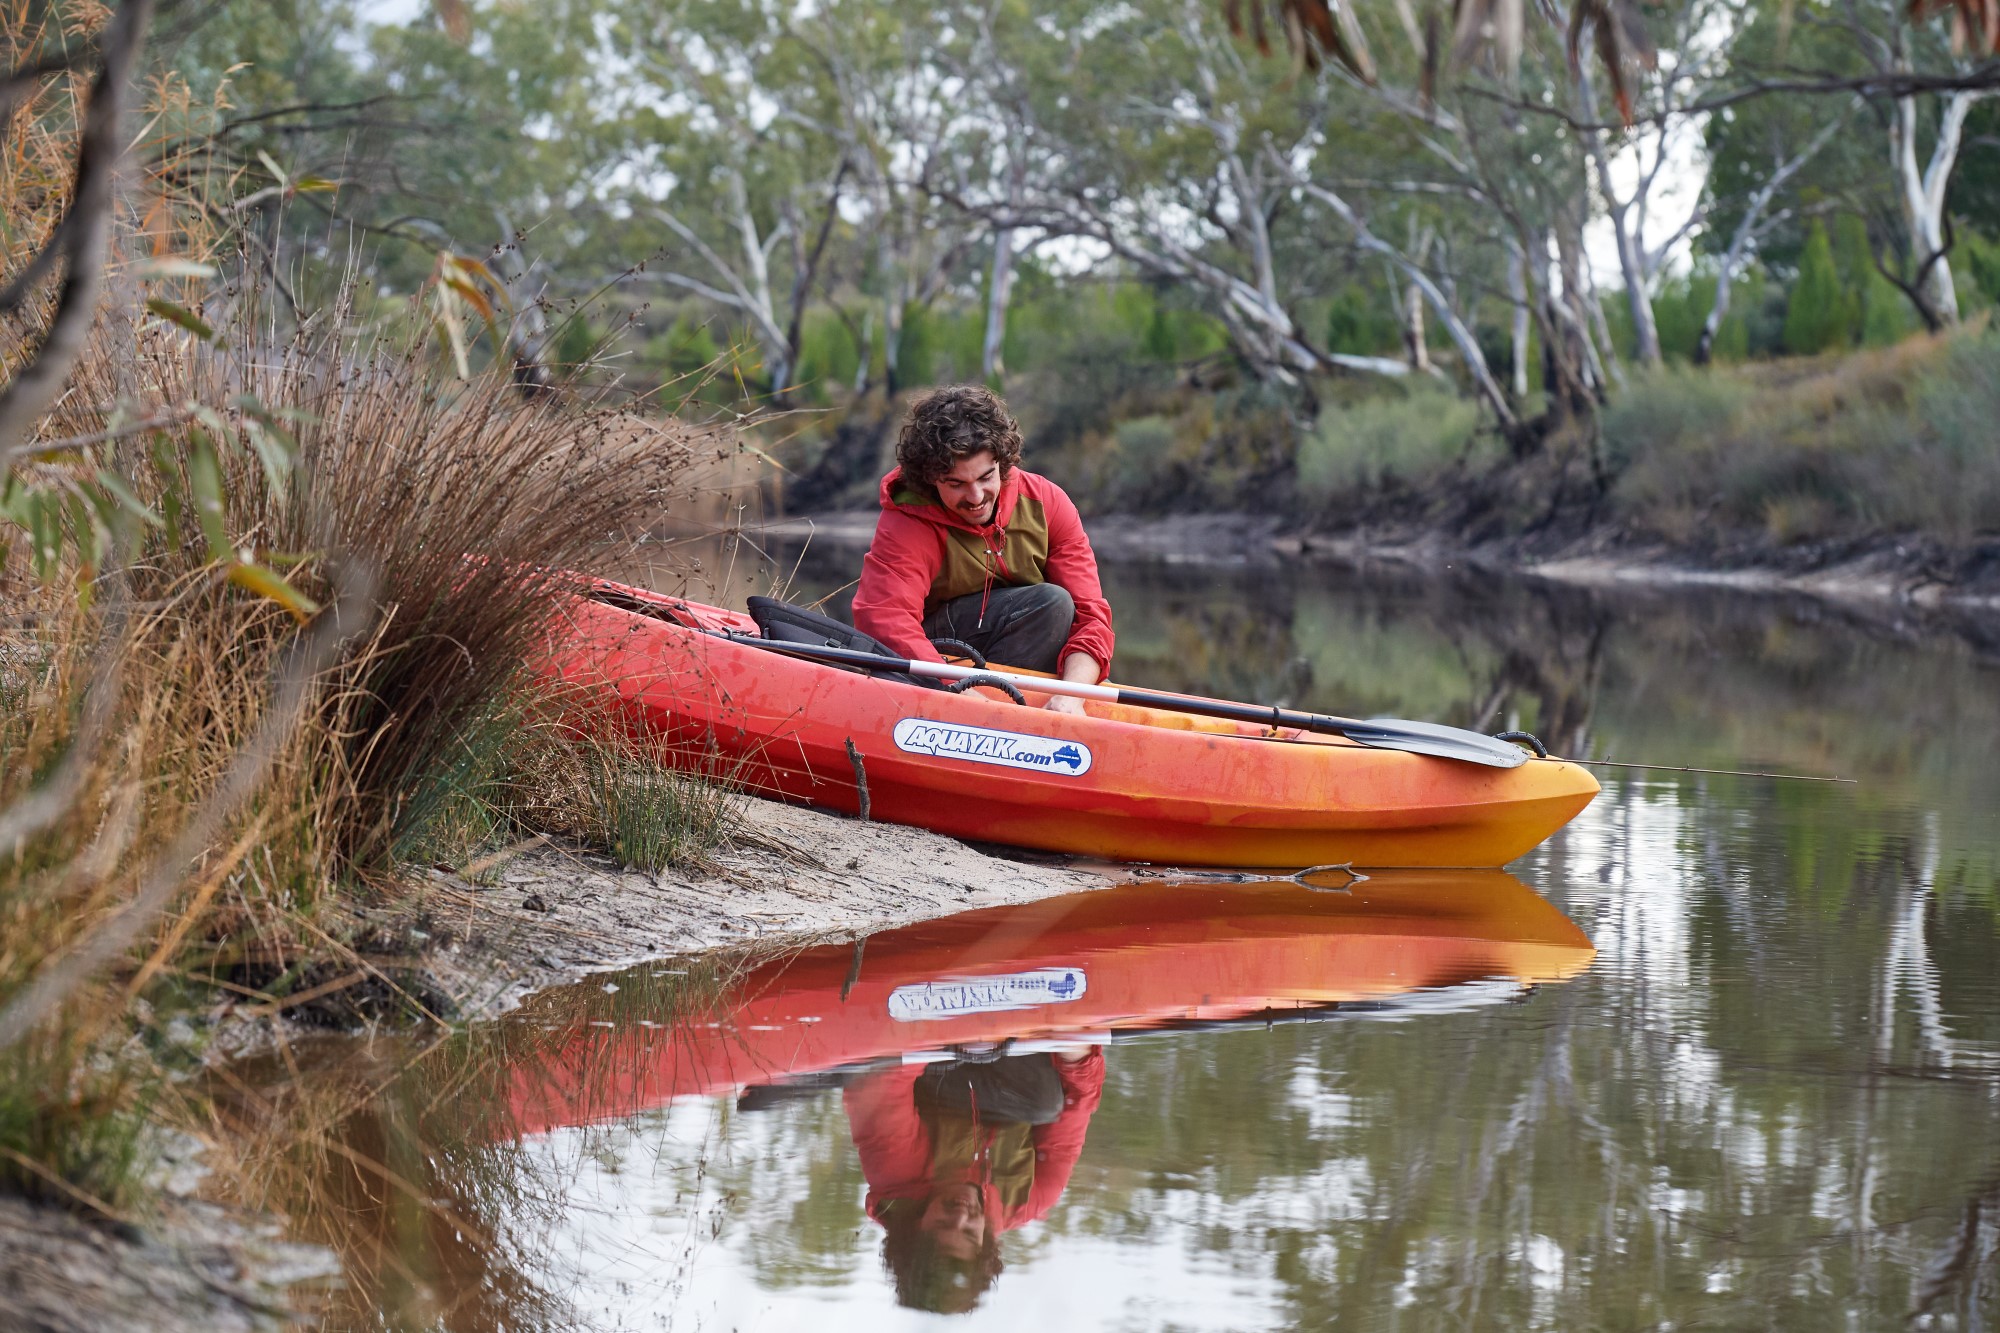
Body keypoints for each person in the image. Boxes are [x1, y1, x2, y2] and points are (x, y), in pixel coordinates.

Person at [851, 385, 1113, 714]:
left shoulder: (1047, 502)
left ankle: (1032, 710)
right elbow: (884, 617)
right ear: (931, 480)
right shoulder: (909, 520)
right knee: (1050, 604)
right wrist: (956, 691)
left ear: (1002, 463)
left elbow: (1092, 618)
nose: (975, 497)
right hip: (936, 657)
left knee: (1057, 606)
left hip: (1017, 653)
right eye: (956, 484)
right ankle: (997, 715)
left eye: (985, 477)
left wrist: (1072, 695)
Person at [843, 1047, 1105, 1313]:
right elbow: (1078, 1102)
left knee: (1040, 1100)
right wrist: (1076, 1057)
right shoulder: (1030, 1197)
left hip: (937, 1058)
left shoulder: (895, 1174)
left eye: (943, 1224)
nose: (960, 1215)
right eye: (969, 1232)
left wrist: (958, 1034)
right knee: (1047, 1103)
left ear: (917, 1226)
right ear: (984, 1243)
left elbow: (882, 1079)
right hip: (1018, 1057)